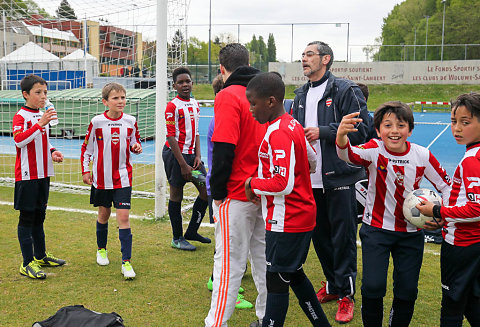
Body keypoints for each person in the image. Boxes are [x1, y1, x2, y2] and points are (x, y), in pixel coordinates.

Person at [335, 101, 451, 326]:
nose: (395, 131)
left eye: (401, 125)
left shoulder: (422, 155)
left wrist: (440, 214)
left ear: (410, 129)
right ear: (378, 130)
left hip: (410, 233)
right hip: (376, 230)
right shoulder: (373, 150)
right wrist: (341, 136)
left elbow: (447, 187)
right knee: (373, 286)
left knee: (407, 290)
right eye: (388, 125)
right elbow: (346, 155)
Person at [290, 41, 371, 323]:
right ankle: (334, 285)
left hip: (341, 178)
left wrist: (323, 131)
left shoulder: (344, 89)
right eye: (302, 54)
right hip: (310, 181)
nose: (304, 58)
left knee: (343, 238)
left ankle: (347, 295)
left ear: (326, 59)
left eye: (309, 54)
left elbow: (364, 130)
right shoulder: (299, 94)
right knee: (320, 237)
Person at [244, 72, 331, 327]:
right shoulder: (292, 123)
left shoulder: (278, 132)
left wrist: (252, 183)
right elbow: (312, 160)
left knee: (276, 279)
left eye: (253, 103)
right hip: (301, 214)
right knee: (293, 274)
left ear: (270, 101)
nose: (250, 109)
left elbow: (282, 183)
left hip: (287, 219)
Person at [205, 43, 267, 327]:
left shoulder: (229, 95)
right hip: (265, 190)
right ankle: (267, 317)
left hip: (237, 193)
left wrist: (217, 192)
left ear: (222, 68)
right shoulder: (267, 94)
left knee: (229, 264)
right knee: (263, 261)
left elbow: (224, 147)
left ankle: (216, 323)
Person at [417, 92, 480, 327]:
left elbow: (477, 209)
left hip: (462, 247)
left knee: (452, 307)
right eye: (454, 122)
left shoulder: (472, 160)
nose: (457, 129)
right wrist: (446, 218)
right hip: (471, 243)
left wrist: (438, 211)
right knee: (472, 301)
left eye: (466, 122)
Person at [81, 82, 142, 280]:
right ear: (105, 101)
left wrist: (136, 147)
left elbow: (135, 141)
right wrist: (85, 171)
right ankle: (101, 249)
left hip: (123, 178)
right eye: (115, 98)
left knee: (123, 218)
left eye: (123, 97)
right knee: (104, 215)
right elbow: (87, 149)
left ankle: (126, 262)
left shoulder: (131, 121)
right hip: (101, 180)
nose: (121, 101)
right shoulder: (97, 122)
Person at [205, 74, 253, 310]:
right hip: (229, 192)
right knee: (228, 254)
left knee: (232, 250)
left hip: (234, 190)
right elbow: (222, 153)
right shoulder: (222, 116)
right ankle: (220, 290)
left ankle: (223, 286)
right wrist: (217, 191)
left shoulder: (228, 111)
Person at [13, 74, 66, 279]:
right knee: (27, 218)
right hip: (27, 175)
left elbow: (42, 142)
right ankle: (27, 263)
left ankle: (41, 255)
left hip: (44, 173)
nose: (43, 96)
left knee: (39, 216)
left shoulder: (42, 114)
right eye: (38, 93)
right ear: (26, 94)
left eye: (45, 92)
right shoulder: (22, 116)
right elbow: (19, 141)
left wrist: (53, 151)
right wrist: (40, 124)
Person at [163, 67, 210, 251]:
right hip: (175, 157)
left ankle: (191, 231)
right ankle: (177, 238)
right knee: (177, 195)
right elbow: (170, 137)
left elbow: (196, 132)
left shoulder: (195, 104)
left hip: (192, 157)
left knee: (206, 190)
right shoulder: (172, 106)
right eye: (181, 82)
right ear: (175, 86)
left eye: (187, 81)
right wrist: (183, 164)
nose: (185, 85)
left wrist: (198, 155)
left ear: (192, 83)